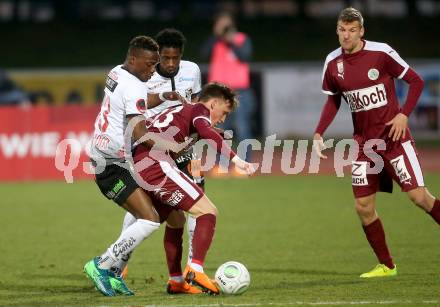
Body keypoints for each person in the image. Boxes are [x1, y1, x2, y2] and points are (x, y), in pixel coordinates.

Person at [313, 7, 440, 278]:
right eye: (342, 30)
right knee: (363, 207)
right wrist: (318, 133)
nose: (346, 35)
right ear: (337, 30)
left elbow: (416, 82)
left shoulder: (381, 53)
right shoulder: (333, 62)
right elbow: (333, 99)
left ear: (362, 31)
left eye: (352, 30)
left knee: (419, 197)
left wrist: (404, 115)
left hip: (394, 140)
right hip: (365, 146)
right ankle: (387, 265)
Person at [83, 35, 190, 296]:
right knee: (150, 219)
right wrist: (173, 146)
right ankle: (102, 264)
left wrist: (164, 95)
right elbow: (140, 132)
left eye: (155, 64)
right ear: (134, 59)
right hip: (109, 165)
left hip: (111, 158)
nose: (153, 69)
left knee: (142, 217)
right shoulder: (133, 85)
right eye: (149, 64)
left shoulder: (118, 72)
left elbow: (141, 98)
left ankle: (115, 273)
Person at [133, 82, 256, 294]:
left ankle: (176, 280)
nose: (224, 119)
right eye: (224, 112)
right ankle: (196, 269)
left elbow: (184, 137)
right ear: (213, 103)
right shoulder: (200, 109)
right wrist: (238, 160)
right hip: (156, 165)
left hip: (142, 163)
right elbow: (206, 131)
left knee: (175, 220)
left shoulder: (184, 110)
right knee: (208, 211)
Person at [111, 28, 206, 293]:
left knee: (195, 208)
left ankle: (191, 272)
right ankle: (118, 261)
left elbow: (195, 110)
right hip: (151, 151)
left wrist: (196, 146)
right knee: (141, 210)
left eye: (176, 58)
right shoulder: (143, 78)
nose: (171, 63)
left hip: (184, 150)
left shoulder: (193, 71)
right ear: (157, 56)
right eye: (166, 58)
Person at [200, 11, 255, 162]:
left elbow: (245, 56)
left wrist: (230, 40)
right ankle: (221, 164)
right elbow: (204, 53)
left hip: (239, 90)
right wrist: (216, 36)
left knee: (242, 126)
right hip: (218, 92)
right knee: (220, 129)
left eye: (226, 23)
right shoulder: (215, 42)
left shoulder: (241, 39)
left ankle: (245, 163)